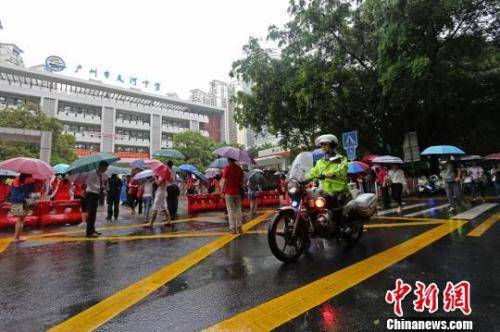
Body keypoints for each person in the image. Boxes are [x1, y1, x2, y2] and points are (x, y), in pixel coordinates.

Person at [305, 134, 349, 222]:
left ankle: (341, 227)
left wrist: (332, 174)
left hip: (338, 191)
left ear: (332, 145)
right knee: (312, 206)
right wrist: (303, 178)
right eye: (322, 145)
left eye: (325, 144)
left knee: (336, 212)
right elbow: (313, 172)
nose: (323, 147)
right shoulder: (320, 162)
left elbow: (342, 170)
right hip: (324, 191)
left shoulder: (340, 159)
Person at [8, 173, 36, 242]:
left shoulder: (15, 180)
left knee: (19, 219)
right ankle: (17, 238)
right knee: (21, 220)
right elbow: (32, 190)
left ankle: (17, 237)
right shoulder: (30, 180)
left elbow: (11, 190)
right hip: (26, 200)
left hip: (15, 200)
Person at [85, 161, 109, 237]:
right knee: (91, 214)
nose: (105, 170)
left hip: (96, 194)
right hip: (91, 194)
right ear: (101, 166)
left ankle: (93, 229)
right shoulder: (92, 173)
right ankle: (89, 233)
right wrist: (99, 188)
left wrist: (103, 188)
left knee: (93, 214)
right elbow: (88, 183)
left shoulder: (100, 174)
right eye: (105, 168)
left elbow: (98, 184)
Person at [221, 158, 244, 234]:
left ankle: (233, 228)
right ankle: (239, 228)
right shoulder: (239, 169)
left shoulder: (227, 168)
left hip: (229, 192)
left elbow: (224, 181)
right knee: (238, 210)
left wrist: (222, 192)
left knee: (230, 210)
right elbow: (242, 181)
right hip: (237, 192)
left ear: (228, 160)